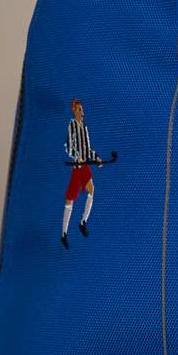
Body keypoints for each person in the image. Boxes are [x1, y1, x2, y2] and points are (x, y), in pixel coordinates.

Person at [62, 99, 99, 248]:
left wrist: (96, 158)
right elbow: (69, 147)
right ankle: (64, 233)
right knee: (70, 199)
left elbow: (88, 149)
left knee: (91, 189)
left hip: (85, 166)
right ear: (74, 111)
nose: (82, 113)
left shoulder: (84, 128)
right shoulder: (71, 125)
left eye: (82, 110)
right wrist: (77, 157)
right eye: (79, 110)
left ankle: (83, 221)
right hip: (77, 167)